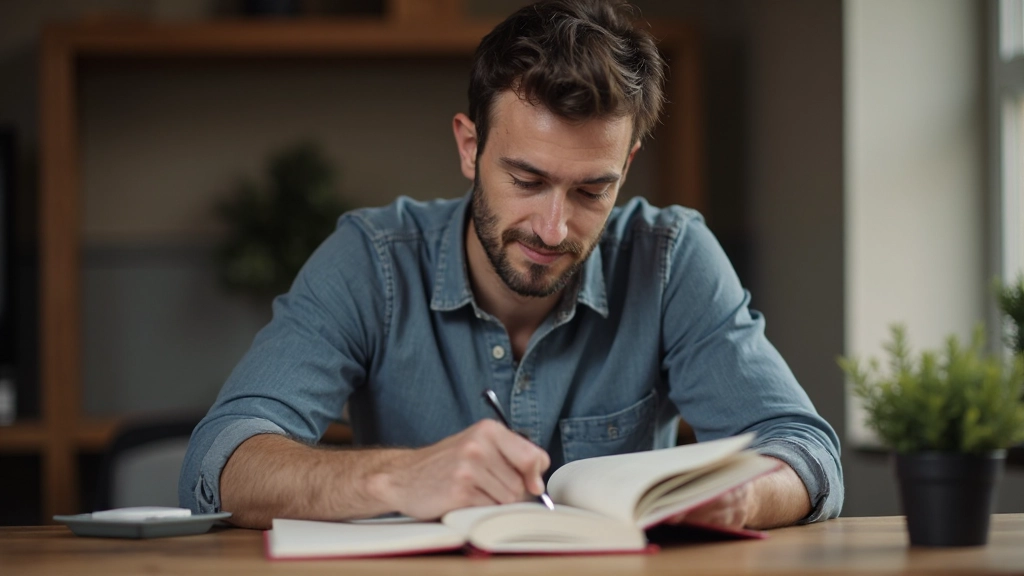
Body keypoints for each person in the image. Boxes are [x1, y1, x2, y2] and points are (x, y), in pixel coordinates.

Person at [179, 0, 843, 530]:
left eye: (592, 190)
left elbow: (806, 452)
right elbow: (221, 460)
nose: (554, 229)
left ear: (628, 165)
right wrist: (396, 478)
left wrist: (742, 499)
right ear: (470, 147)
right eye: (526, 180)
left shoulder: (669, 259)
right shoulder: (371, 259)